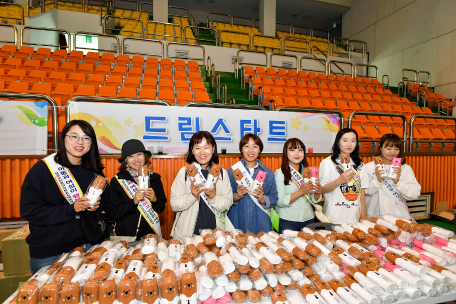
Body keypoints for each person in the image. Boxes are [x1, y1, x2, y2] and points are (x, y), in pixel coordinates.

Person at [20, 120, 107, 274]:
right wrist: (71, 209)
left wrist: (95, 207)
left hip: (87, 247)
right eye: (74, 136)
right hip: (50, 252)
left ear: (91, 143)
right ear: (63, 139)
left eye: (86, 138)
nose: (80, 142)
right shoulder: (43, 169)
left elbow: (102, 209)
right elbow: (30, 211)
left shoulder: (94, 171)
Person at [170, 131, 233, 240]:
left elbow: (227, 203)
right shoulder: (184, 172)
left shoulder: (222, 173)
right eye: (198, 148)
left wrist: (213, 198)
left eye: (206, 147)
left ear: (213, 149)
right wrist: (192, 196)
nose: (202, 152)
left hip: (216, 234)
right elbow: (174, 204)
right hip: (188, 235)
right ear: (192, 150)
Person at [105, 139, 167, 240]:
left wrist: (155, 200)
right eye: (130, 156)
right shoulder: (118, 180)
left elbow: (161, 208)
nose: (136, 159)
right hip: (126, 237)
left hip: (150, 236)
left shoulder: (155, 178)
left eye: (139, 154)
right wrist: (133, 202)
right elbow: (111, 213)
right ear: (125, 160)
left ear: (144, 156)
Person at [227, 134, 278, 234]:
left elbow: (274, 197)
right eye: (247, 146)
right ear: (241, 149)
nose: (251, 150)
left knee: (262, 248)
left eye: (255, 146)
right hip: (237, 220)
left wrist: (263, 199)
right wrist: (236, 196)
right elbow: (224, 197)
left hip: (261, 222)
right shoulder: (231, 171)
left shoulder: (268, 173)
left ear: (259, 150)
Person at [365, 134, 421, 219]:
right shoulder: (369, 167)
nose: (393, 152)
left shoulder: (405, 168)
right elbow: (365, 192)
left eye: (396, 149)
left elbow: (414, 194)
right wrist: (377, 181)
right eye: (389, 148)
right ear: (380, 148)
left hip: (399, 217)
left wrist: (398, 182)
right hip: (375, 217)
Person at [319, 128, 369, 224]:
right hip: (333, 217)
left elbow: (362, 191)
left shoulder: (359, 164)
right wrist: (339, 180)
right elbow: (322, 189)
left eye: (353, 141)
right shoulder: (327, 163)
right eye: (345, 140)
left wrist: (363, 215)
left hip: (354, 217)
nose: (349, 144)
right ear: (338, 142)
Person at [274, 138, 322, 233]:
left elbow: (313, 199)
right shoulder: (280, 173)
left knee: (309, 247)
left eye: (300, 150)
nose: (297, 153)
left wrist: (318, 192)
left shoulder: (309, 172)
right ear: (285, 153)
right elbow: (280, 202)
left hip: (309, 219)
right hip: (288, 220)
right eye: (292, 150)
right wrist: (301, 192)